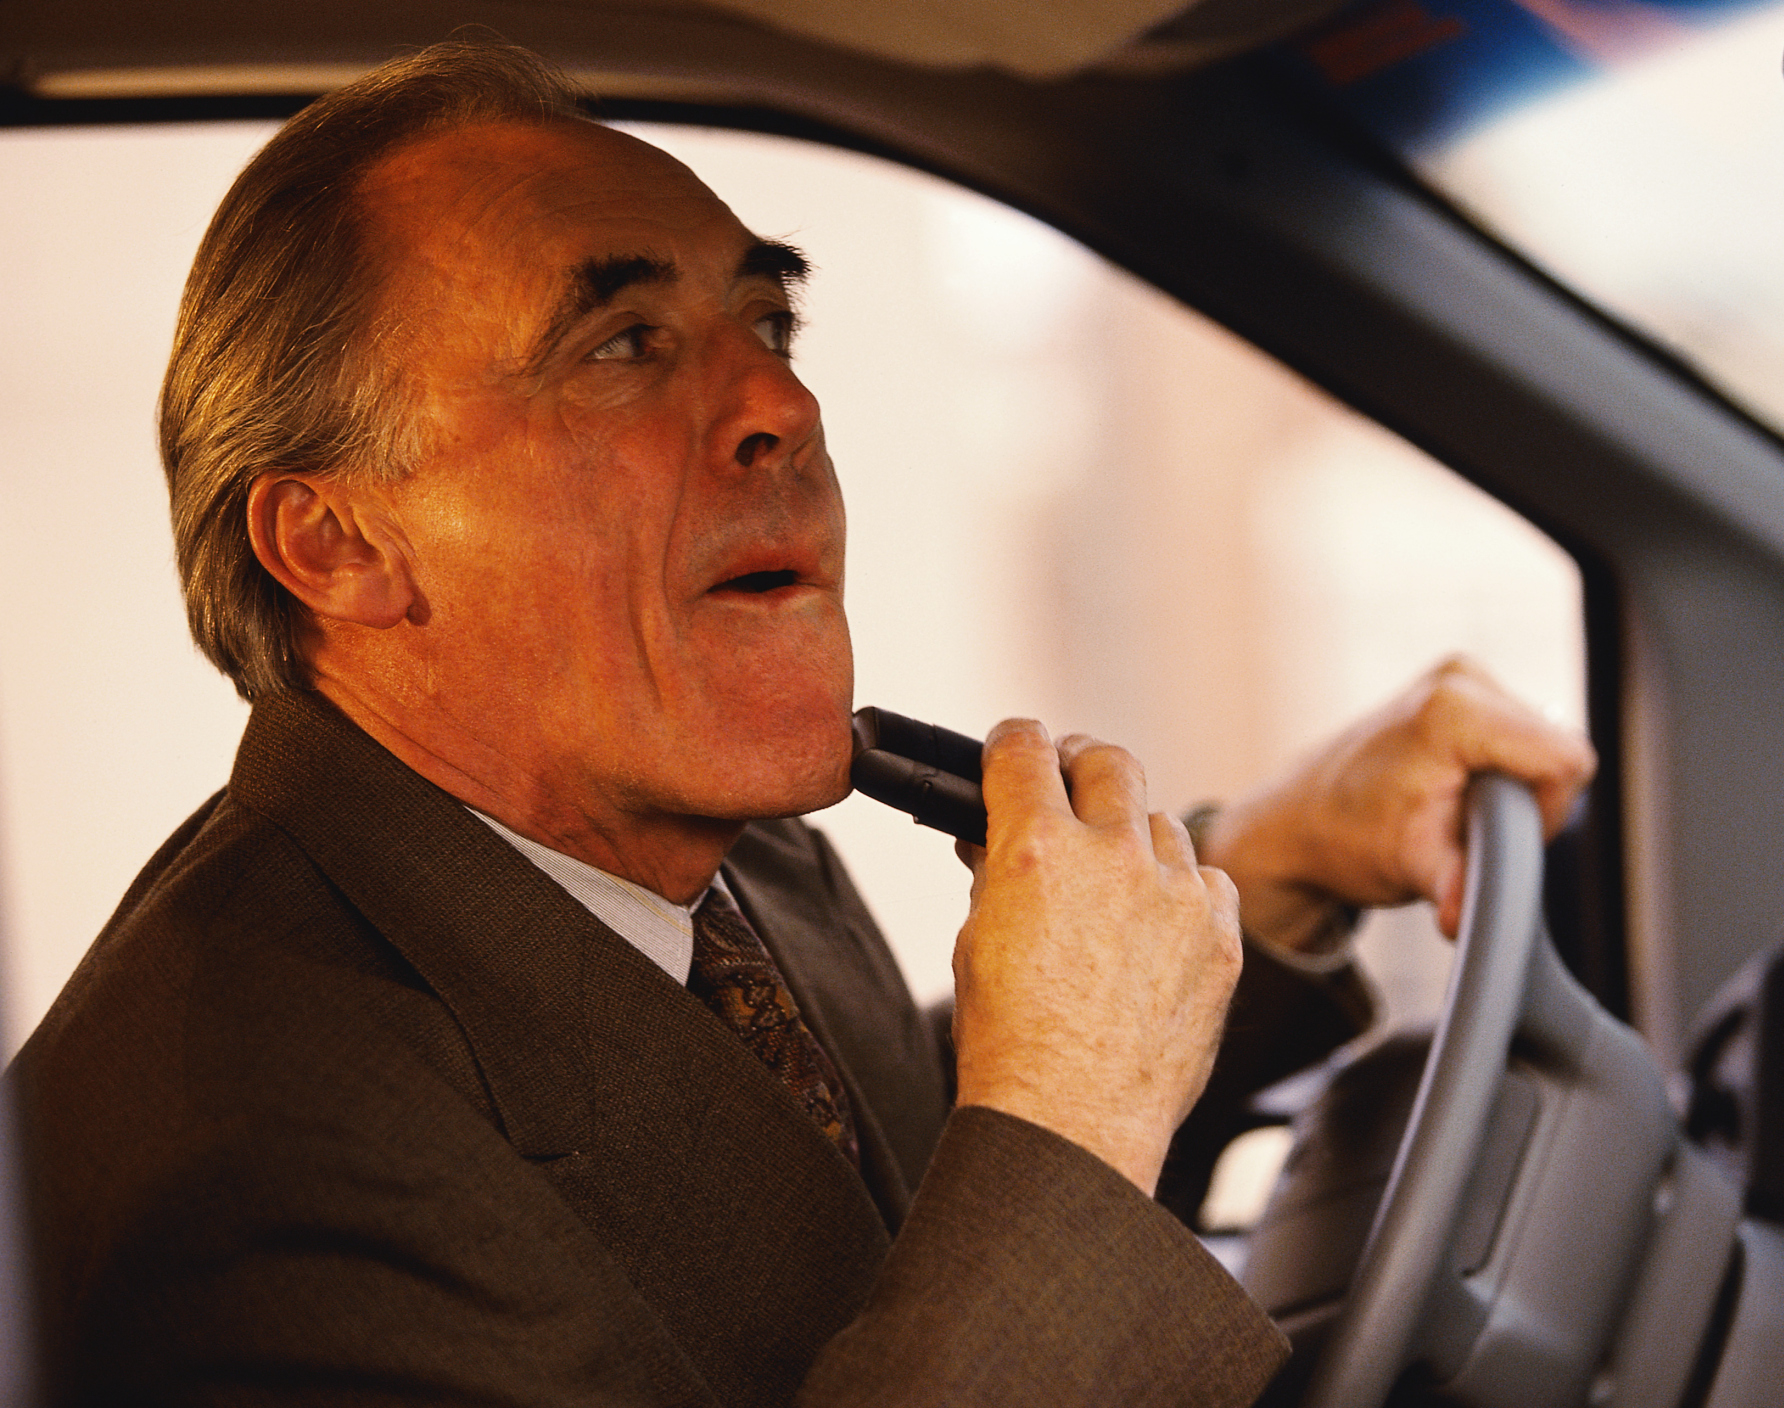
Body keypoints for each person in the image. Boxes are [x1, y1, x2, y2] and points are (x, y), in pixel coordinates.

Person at [9, 37, 1596, 1408]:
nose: (784, 408)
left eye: (764, 325)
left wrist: (1269, 863)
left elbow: (836, 1177)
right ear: (340, 548)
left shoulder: (690, 838)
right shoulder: (257, 1167)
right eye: (621, 346)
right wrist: (1079, 1114)